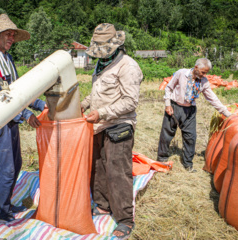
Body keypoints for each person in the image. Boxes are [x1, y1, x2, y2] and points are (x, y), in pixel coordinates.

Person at [0, 14, 45, 222]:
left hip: (11, 120)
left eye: (13, 35)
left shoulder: (7, 60)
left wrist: (42, 104)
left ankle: (6, 203)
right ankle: (3, 211)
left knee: (16, 163)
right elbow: (0, 95)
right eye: (8, 34)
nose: (11, 38)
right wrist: (25, 114)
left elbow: (18, 90)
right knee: (4, 168)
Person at [81, 23, 143, 239]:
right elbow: (96, 93)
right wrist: (83, 104)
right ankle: (102, 205)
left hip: (120, 124)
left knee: (118, 171)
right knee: (98, 166)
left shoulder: (128, 66)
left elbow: (130, 102)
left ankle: (125, 219)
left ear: (115, 46)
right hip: (99, 123)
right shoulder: (101, 62)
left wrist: (102, 113)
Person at [157, 58, 231, 172]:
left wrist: (227, 114)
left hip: (190, 110)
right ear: (196, 67)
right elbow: (169, 87)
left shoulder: (203, 81)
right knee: (167, 133)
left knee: (190, 137)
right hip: (174, 106)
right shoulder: (181, 73)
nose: (204, 75)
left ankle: (188, 164)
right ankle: (162, 159)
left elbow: (213, 99)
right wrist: (167, 104)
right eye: (203, 72)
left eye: (206, 73)